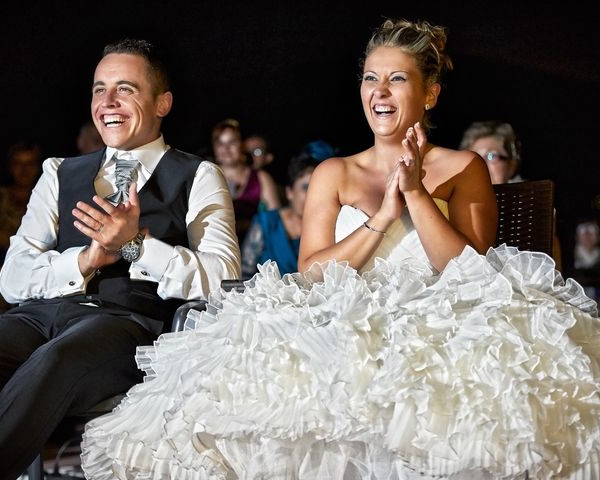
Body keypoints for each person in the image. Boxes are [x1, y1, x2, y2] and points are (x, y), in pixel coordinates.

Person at [81, 20, 599, 479]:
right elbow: (310, 271)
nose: (380, 90)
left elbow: (467, 270)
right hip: (342, 315)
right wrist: (381, 218)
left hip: (441, 316)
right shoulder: (335, 172)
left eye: (397, 78)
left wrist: (416, 192)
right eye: (371, 77)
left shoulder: (464, 167)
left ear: (431, 93)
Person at [0, 38, 240, 480]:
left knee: (50, 364)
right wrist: (86, 260)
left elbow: (222, 277)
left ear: (162, 102)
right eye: (98, 89)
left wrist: (136, 247)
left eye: (125, 88)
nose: (107, 102)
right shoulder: (58, 171)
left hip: (125, 324)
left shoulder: (198, 176)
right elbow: (12, 279)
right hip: (39, 315)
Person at [460, 120, 563, 270]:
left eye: (491, 156)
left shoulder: (533, 205)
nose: (480, 165)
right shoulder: (455, 203)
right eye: (475, 157)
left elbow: (552, 267)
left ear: (512, 163)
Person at [0, 140, 43, 307]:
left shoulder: (45, 197)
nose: (24, 170)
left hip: (35, 272)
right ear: (10, 166)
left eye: (29, 163)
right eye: (18, 164)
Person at [240, 152, 319, 279]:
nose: (312, 195)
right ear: (290, 192)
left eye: (317, 188)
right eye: (305, 187)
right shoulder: (267, 222)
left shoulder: (325, 229)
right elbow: (245, 272)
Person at [211, 118, 281, 243]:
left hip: (251, 246)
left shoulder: (261, 177)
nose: (225, 148)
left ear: (242, 145)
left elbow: (275, 220)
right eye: (220, 143)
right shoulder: (207, 175)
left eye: (232, 142)